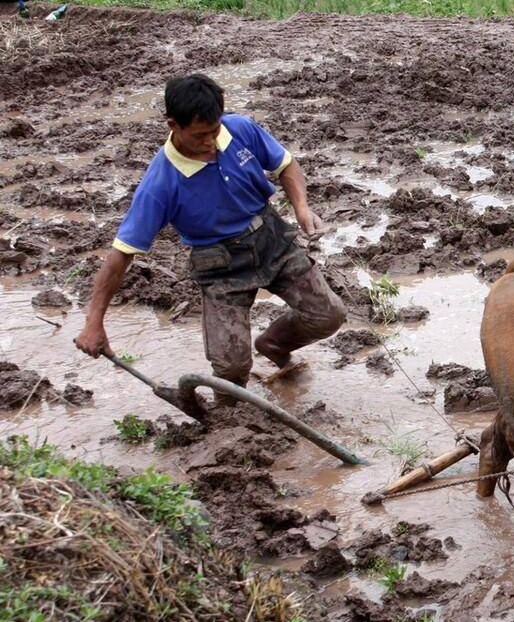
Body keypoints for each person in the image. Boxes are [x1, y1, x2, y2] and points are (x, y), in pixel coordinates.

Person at [75, 74, 347, 392]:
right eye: (200, 135)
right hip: (221, 267)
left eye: (214, 131)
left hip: (273, 241)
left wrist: (301, 207)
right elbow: (121, 255)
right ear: (172, 125)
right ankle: (228, 422)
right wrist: (94, 322)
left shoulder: (238, 129)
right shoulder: (161, 183)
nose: (210, 143)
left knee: (328, 315)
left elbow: (286, 165)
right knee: (231, 369)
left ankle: (273, 345)